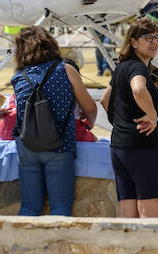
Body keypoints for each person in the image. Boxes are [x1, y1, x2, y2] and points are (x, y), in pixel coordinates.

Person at [7, 26, 97, 217]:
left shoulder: (18, 77)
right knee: (60, 208)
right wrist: (89, 123)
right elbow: (89, 107)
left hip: (27, 146)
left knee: (30, 207)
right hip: (60, 145)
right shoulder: (66, 70)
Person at [101, 19, 158, 218]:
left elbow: (105, 100)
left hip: (120, 146)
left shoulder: (122, 67)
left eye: (157, 37)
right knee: (149, 214)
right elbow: (138, 89)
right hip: (142, 147)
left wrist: (122, 124)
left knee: (127, 212)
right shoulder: (138, 69)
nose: (154, 42)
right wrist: (154, 118)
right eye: (148, 38)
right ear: (134, 42)